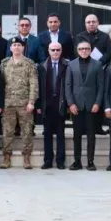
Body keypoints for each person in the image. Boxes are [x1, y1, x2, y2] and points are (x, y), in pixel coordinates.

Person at [64, 39, 104, 171]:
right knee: (77, 135)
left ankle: (90, 162)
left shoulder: (97, 65)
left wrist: (98, 103)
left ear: (91, 50)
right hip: (76, 106)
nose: (84, 51)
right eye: (81, 49)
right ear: (77, 50)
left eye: (87, 48)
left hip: (92, 106)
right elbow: (68, 86)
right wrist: (71, 104)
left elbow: (100, 86)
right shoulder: (71, 65)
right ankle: (77, 161)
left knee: (91, 135)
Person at [0, 38, 38, 169]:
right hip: (8, 103)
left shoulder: (29, 63)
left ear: (23, 48)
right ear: (10, 48)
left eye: (19, 45)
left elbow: (33, 83)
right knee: (7, 131)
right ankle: (6, 157)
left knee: (27, 131)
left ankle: (27, 157)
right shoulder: (4, 64)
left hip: (24, 103)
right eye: (14, 45)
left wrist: (31, 101)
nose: (16, 47)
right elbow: (0, 84)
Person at [37, 41, 69, 169]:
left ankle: (60, 161)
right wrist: (39, 105)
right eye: (53, 50)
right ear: (48, 51)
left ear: (61, 51)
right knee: (47, 135)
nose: (55, 52)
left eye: (57, 50)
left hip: (61, 104)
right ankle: (48, 160)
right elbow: (38, 87)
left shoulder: (67, 65)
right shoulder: (42, 67)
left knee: (61, 134)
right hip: (47, 105)